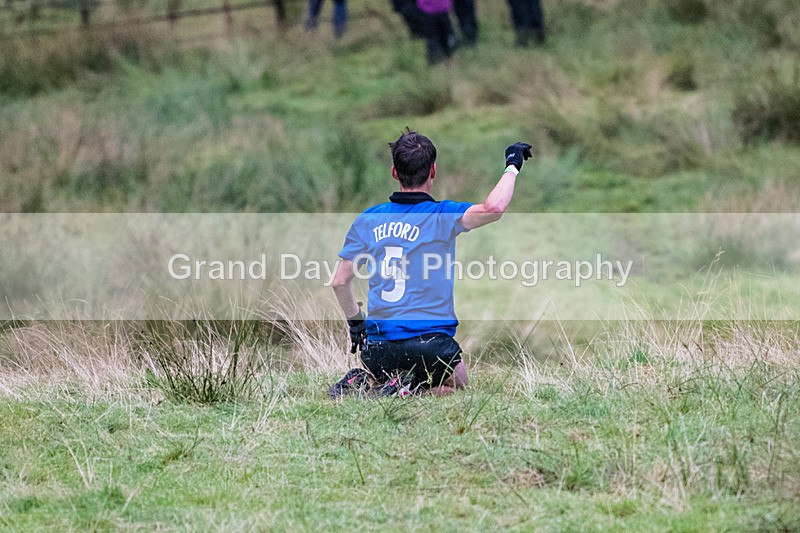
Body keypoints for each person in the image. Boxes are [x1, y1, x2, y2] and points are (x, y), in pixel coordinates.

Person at [328, 130, 532, 398]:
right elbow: (494, 208)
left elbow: (340, 281)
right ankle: (408, 392)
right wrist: (512, 165)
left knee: (389, 367)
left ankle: (376, 382)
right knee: (457, 382)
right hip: (429, 344)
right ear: (433, 171)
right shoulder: (442, 215)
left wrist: (356, 324)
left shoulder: (369, 219)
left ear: (393, 172)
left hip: (377, 347)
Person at [391, 0, 456, 64]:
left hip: (433, 9)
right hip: (427, 10)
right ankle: (440, 61)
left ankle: (444, 60)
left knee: (441, 38)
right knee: (435, 38)